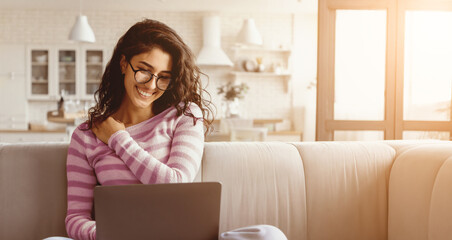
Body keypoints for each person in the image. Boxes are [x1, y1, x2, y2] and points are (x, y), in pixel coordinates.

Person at [47, 19, 287, 240]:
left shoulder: (185, 115)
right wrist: (114, 233)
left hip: (181, 236)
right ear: (123, 64)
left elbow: (177, 183)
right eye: (144, 71)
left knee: (269, 235)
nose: (151, 85)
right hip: (117, 238)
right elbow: (76, 219)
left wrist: (118, 139)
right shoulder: (87, 135)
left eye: (163, 77)